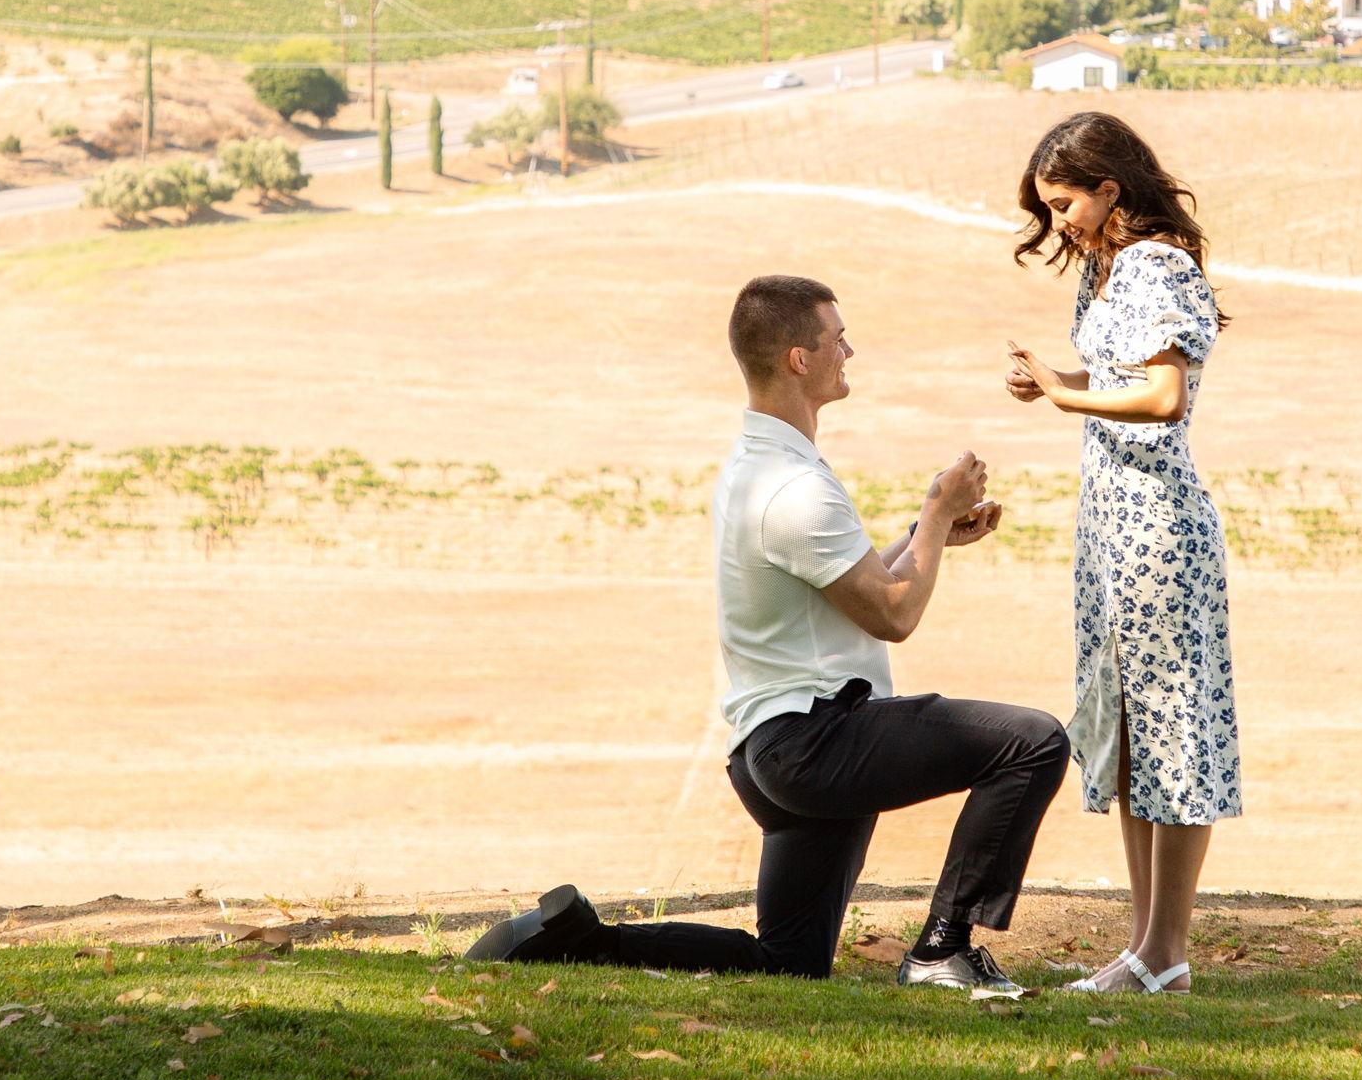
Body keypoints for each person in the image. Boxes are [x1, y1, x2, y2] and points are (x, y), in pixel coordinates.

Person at [468, 273, 1069, 991]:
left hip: (772, 751)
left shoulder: (759, 467)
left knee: (789, 964)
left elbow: (839, 582)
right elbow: (892, 614)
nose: (850, 351)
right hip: (817, 745)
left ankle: (577, 941)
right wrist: (937, 516)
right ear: (799, 359)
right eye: (838, 338)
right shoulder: (795, 487)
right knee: (1032, 743)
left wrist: (923, 536)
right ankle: (944, 948)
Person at [1004, 111, 1241, 996]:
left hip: (1157, 529)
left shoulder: (1156, 265)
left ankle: (1165, 951)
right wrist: (1051, 383)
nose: (1057, 221)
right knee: (1131, 733)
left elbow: (1162, 397)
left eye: (1065, 203)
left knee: (1171, 729)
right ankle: (1143, 950)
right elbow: (1114, 381)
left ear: (1109, 188)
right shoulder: (1104, 269)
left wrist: (1066, 399)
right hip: (1110, 526)